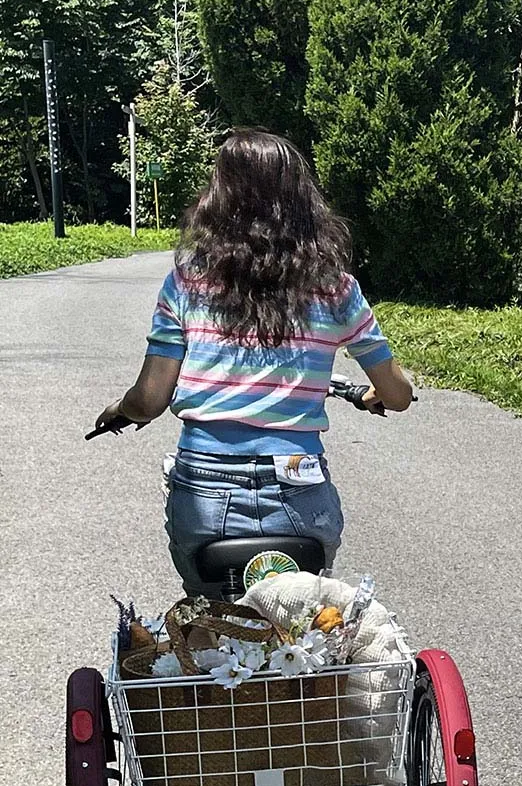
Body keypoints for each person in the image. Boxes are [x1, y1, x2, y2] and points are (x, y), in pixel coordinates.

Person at [93, 129, 414, 597]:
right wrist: (375, 394)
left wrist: (120, 410)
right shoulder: (336, 288)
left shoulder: (187, 281)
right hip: (299, 488)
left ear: (218, 200)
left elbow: (149, 399)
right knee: (298, 623)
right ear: (302, 201)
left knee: (214, 618)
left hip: (205, 489)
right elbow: (399, 396)